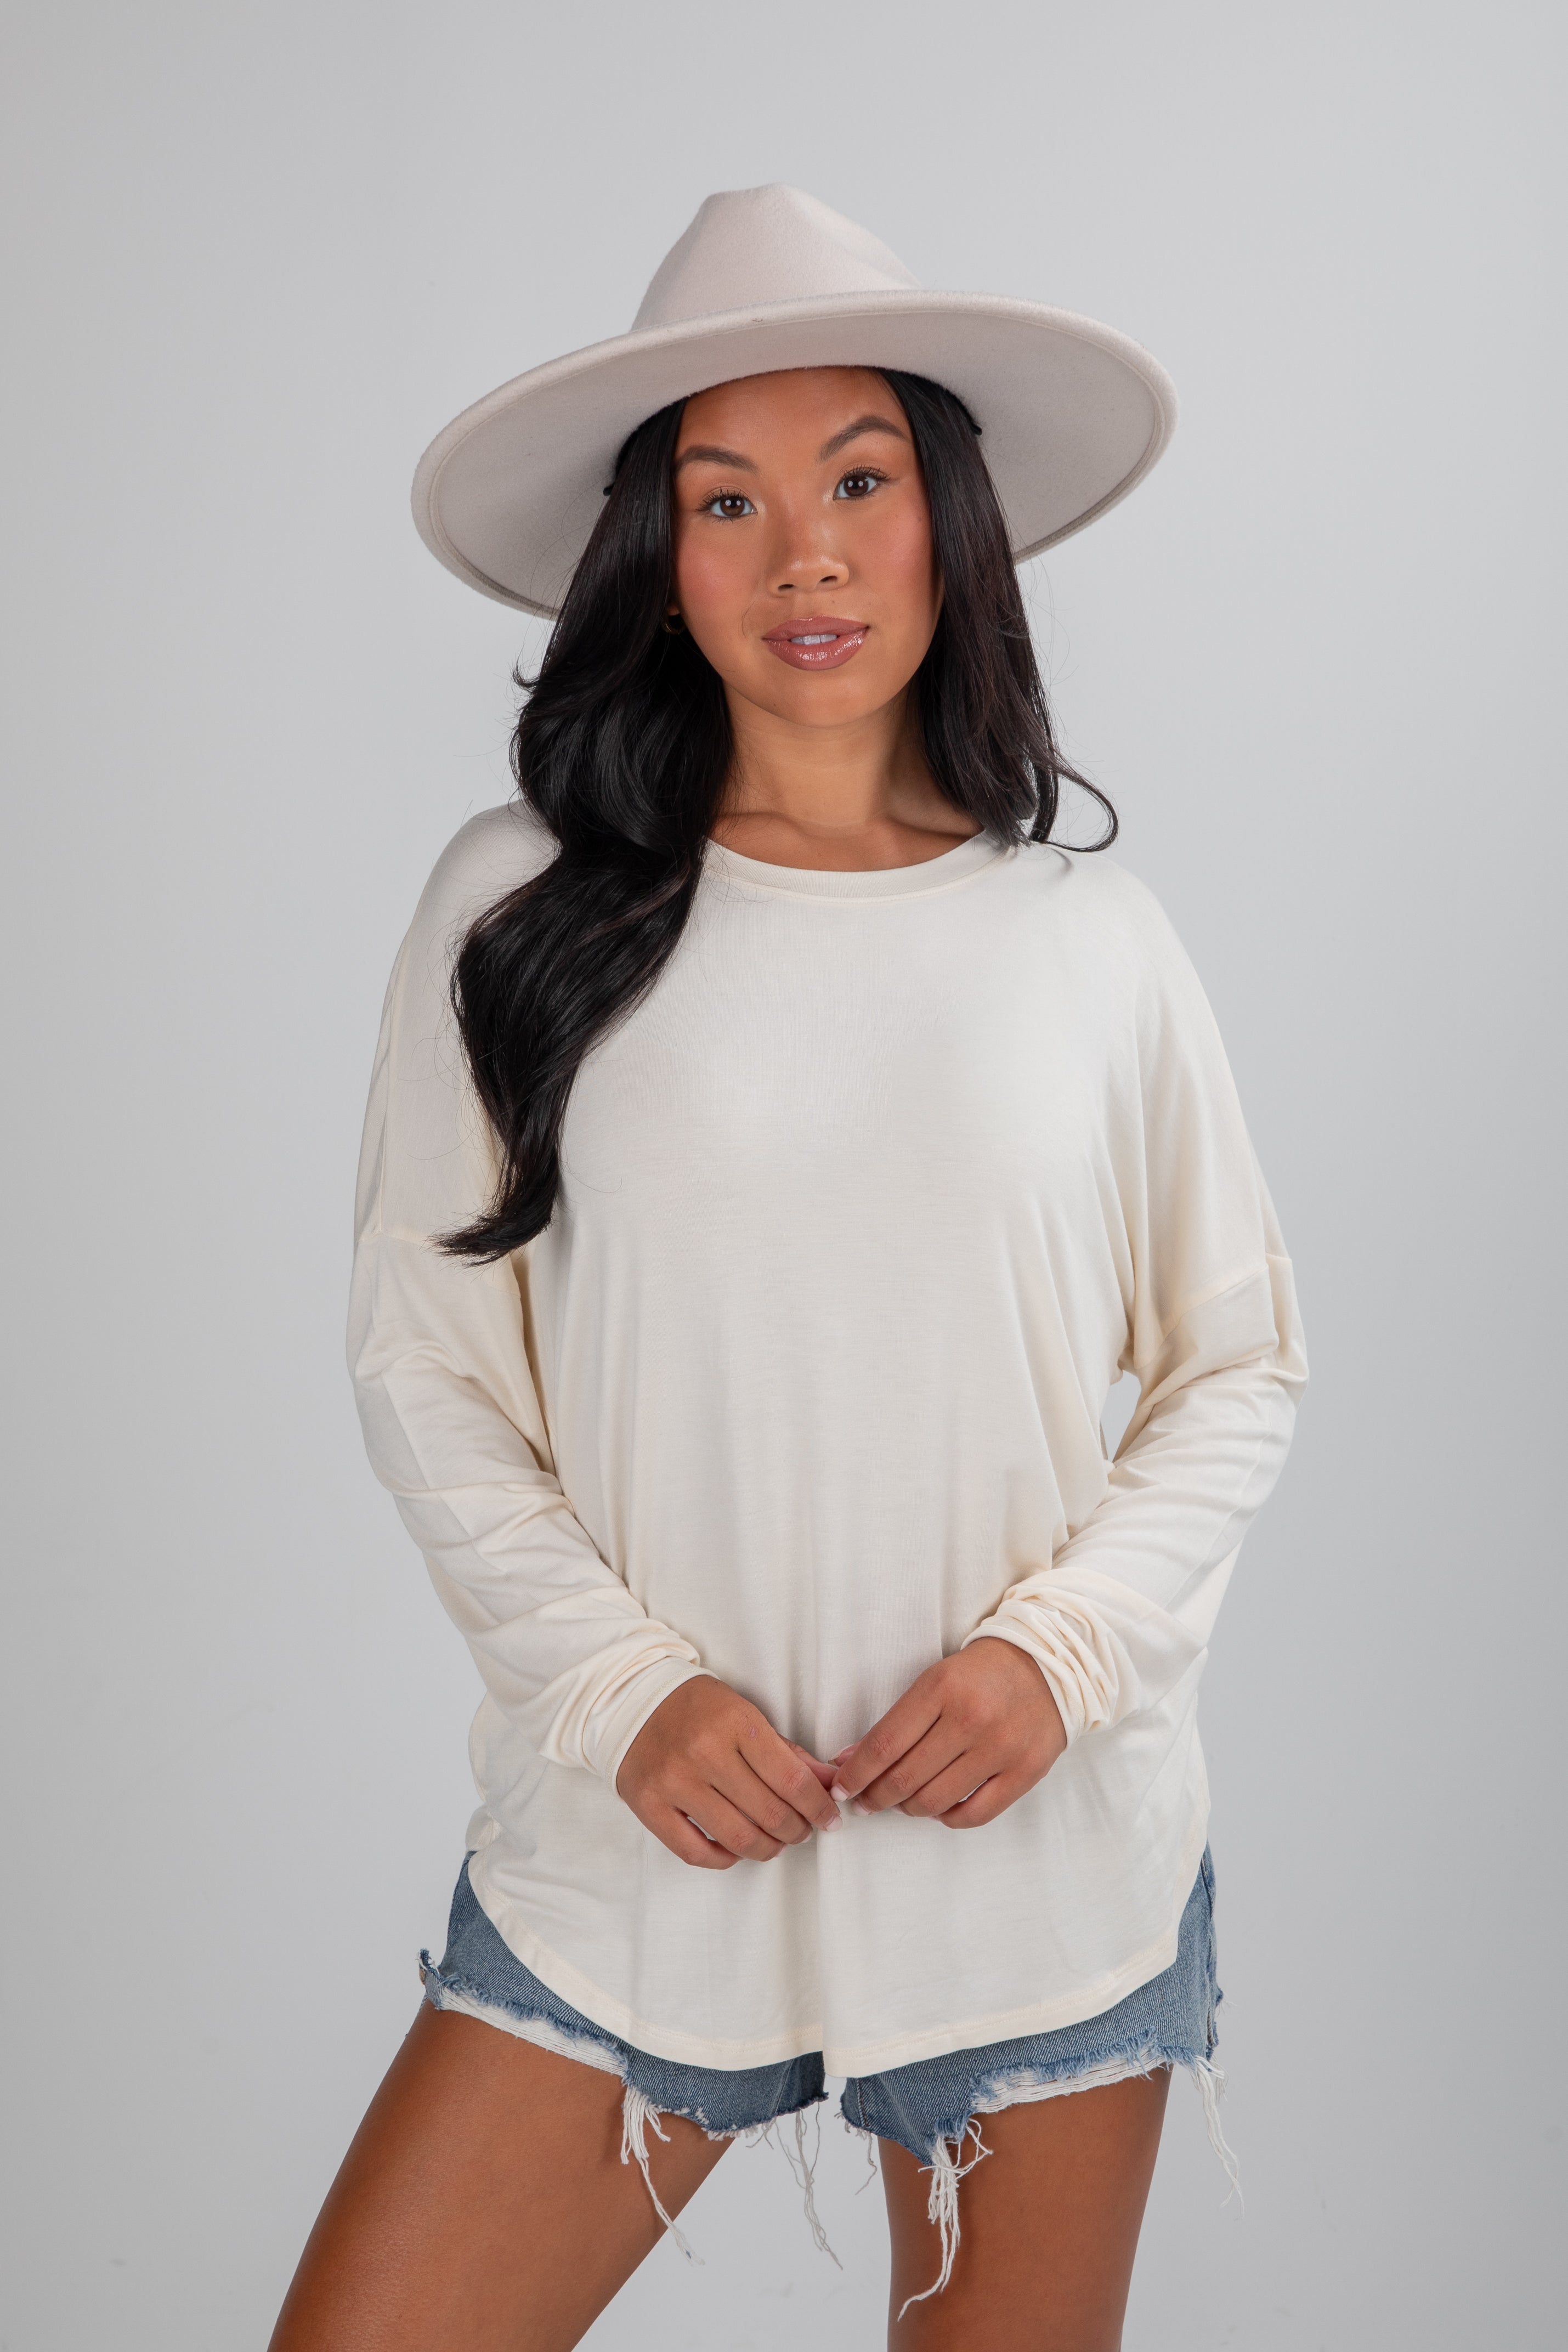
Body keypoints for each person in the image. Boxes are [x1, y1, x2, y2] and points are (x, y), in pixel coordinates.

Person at [269, 185, 1306, 2352]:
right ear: (656, 554)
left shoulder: (1087, 939)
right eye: (725, 500)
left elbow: (1238, 1363)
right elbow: (428, 1363)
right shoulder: (517, 907)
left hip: (1034, 1866)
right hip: (639, 1849)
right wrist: (630, 1692)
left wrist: (1062, 1656)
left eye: (857, 481)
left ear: (946, 517)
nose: (808, 556)